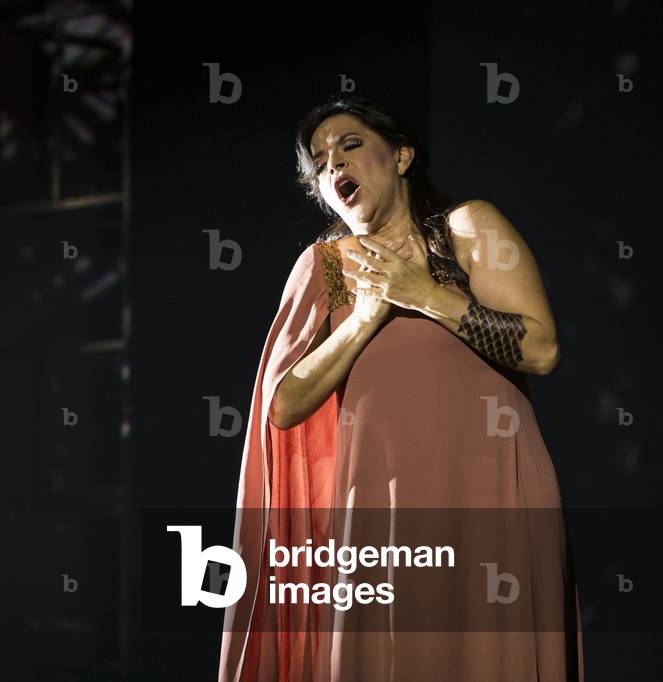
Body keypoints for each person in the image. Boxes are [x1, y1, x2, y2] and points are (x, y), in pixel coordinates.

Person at [218, 96, 583, 681]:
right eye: (319, 160)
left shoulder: (466, 228)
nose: (332, 164)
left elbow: (540, 349)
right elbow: (283, 405)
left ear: (403, 156)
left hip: (489, 489)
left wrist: (427, 295)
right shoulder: (326, 265)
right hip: (380, 512)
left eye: (351, 145)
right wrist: (363, 321)